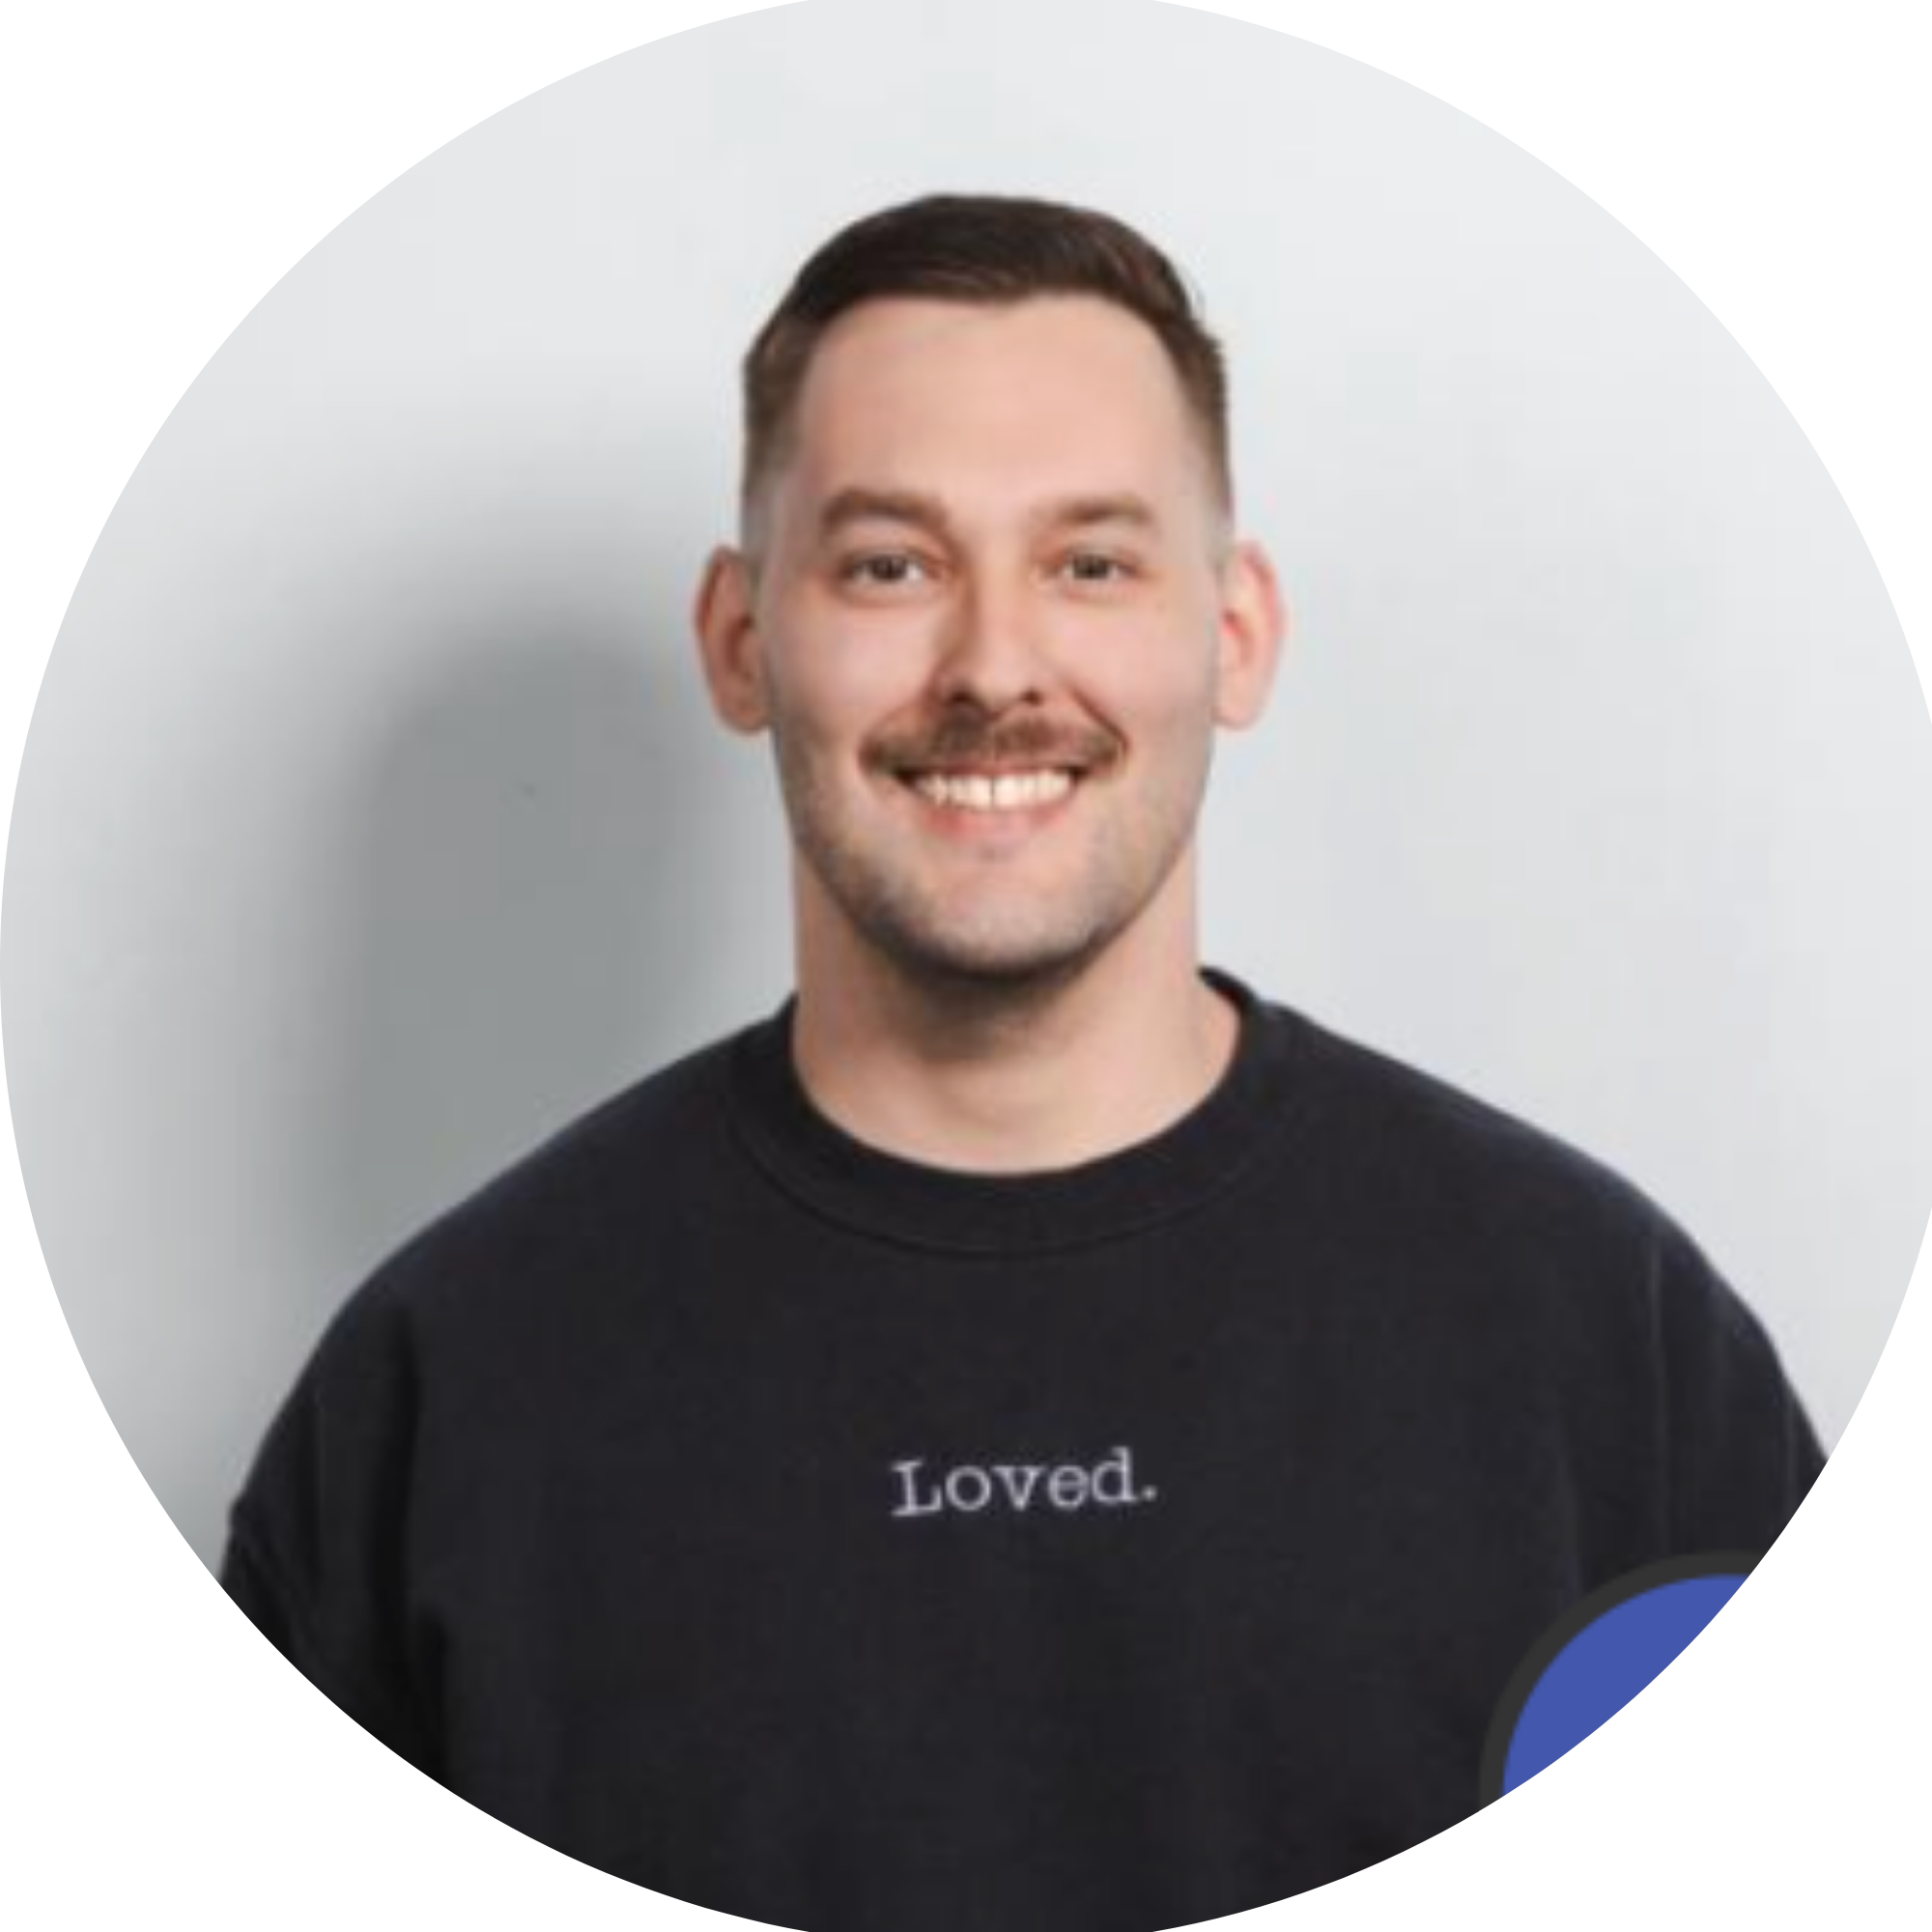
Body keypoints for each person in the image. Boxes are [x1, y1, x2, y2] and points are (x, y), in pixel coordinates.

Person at [221, 194, 1823, 1931]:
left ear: (1237, 631)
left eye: (1092, 562)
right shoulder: (446, 1390)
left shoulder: (1601, 1344)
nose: (994, 667)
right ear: (744, 638)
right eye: (890, 563)